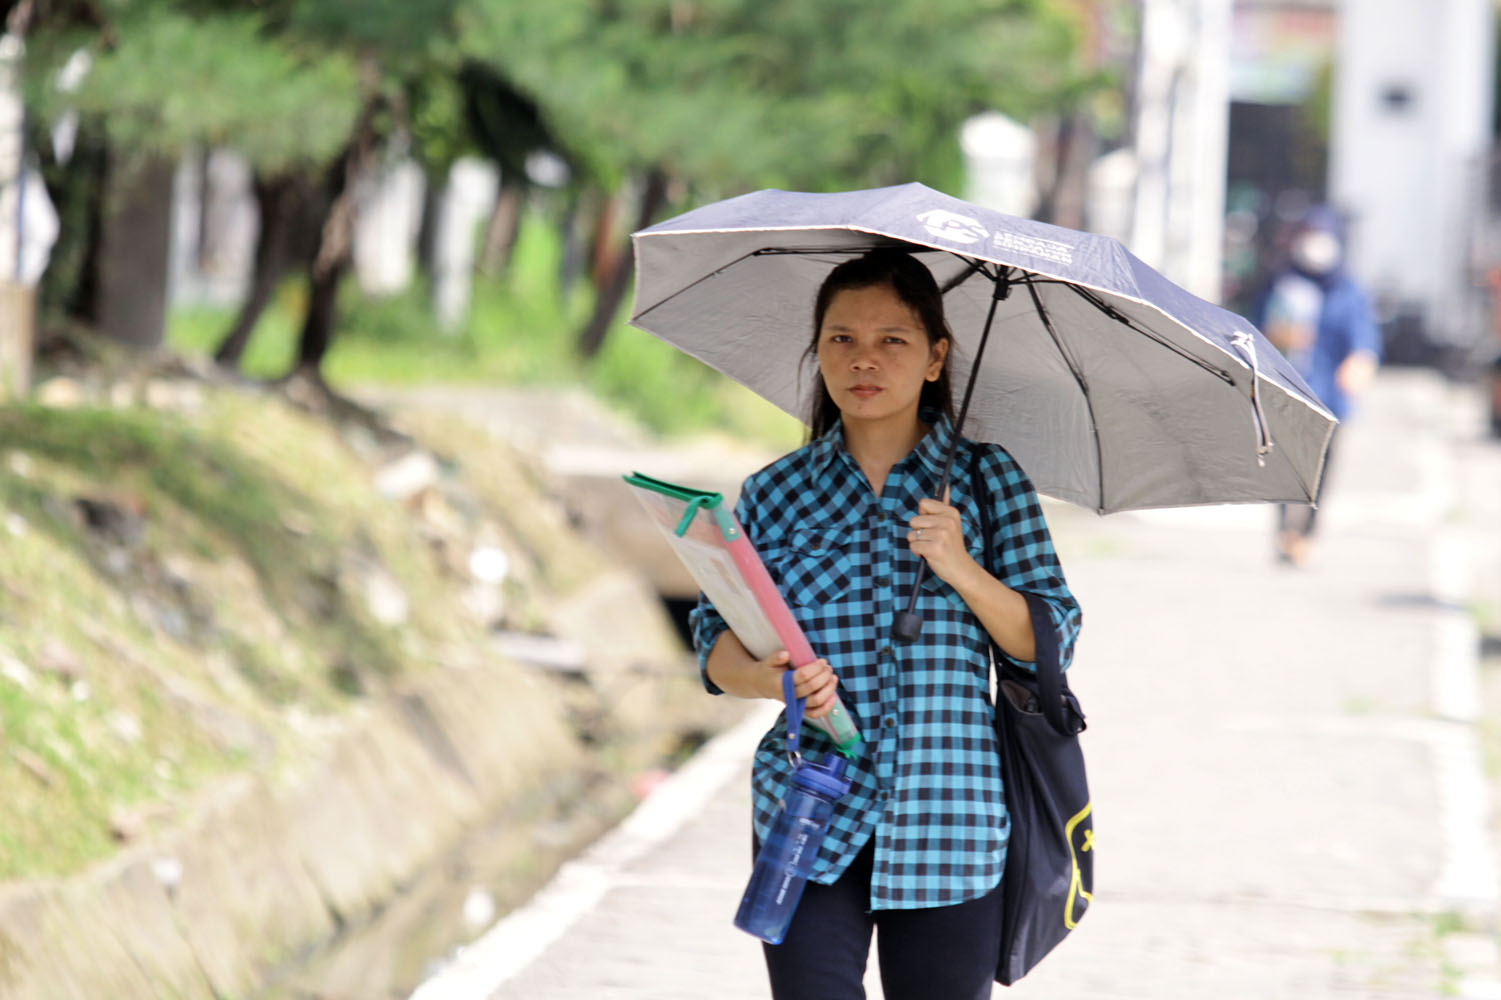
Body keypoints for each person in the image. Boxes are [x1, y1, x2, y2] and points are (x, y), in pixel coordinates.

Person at [689, 249, 1081, 1000]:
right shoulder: (775, 493)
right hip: (809, 811)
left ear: (936, 358)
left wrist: (961, 567)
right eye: (841, 338)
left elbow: (1051, 639)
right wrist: (771, 681)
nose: (862, 359)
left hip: (950, 819)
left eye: (891, 341)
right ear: (817, 351)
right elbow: (714, 643)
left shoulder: (987, 481)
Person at [1252, 205, 1381, 567]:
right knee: (1281, 462)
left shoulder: (1348, 289)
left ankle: (1306, 533)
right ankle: (1283, 530)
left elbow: (1363, 339)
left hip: (1330, 397)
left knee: (1322, 467)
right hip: (1286, 390)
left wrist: (1361, 362)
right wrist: (1276, 336)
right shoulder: (1281, 283)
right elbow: (1254, 328)